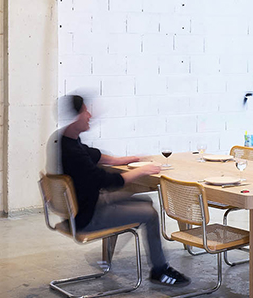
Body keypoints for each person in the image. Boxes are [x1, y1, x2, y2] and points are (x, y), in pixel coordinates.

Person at [60, 95, 189, 286]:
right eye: (85, 111)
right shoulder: (74, 153)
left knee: (144, 200)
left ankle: (108, 258)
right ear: (75, 117)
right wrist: (142, 171)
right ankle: (160, 270)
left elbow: (95, 155)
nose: (90, 115)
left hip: (82, 206)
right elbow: (109, 181)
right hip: (87, 215)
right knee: (150, 214)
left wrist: (126, 160)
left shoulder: (64, 141)